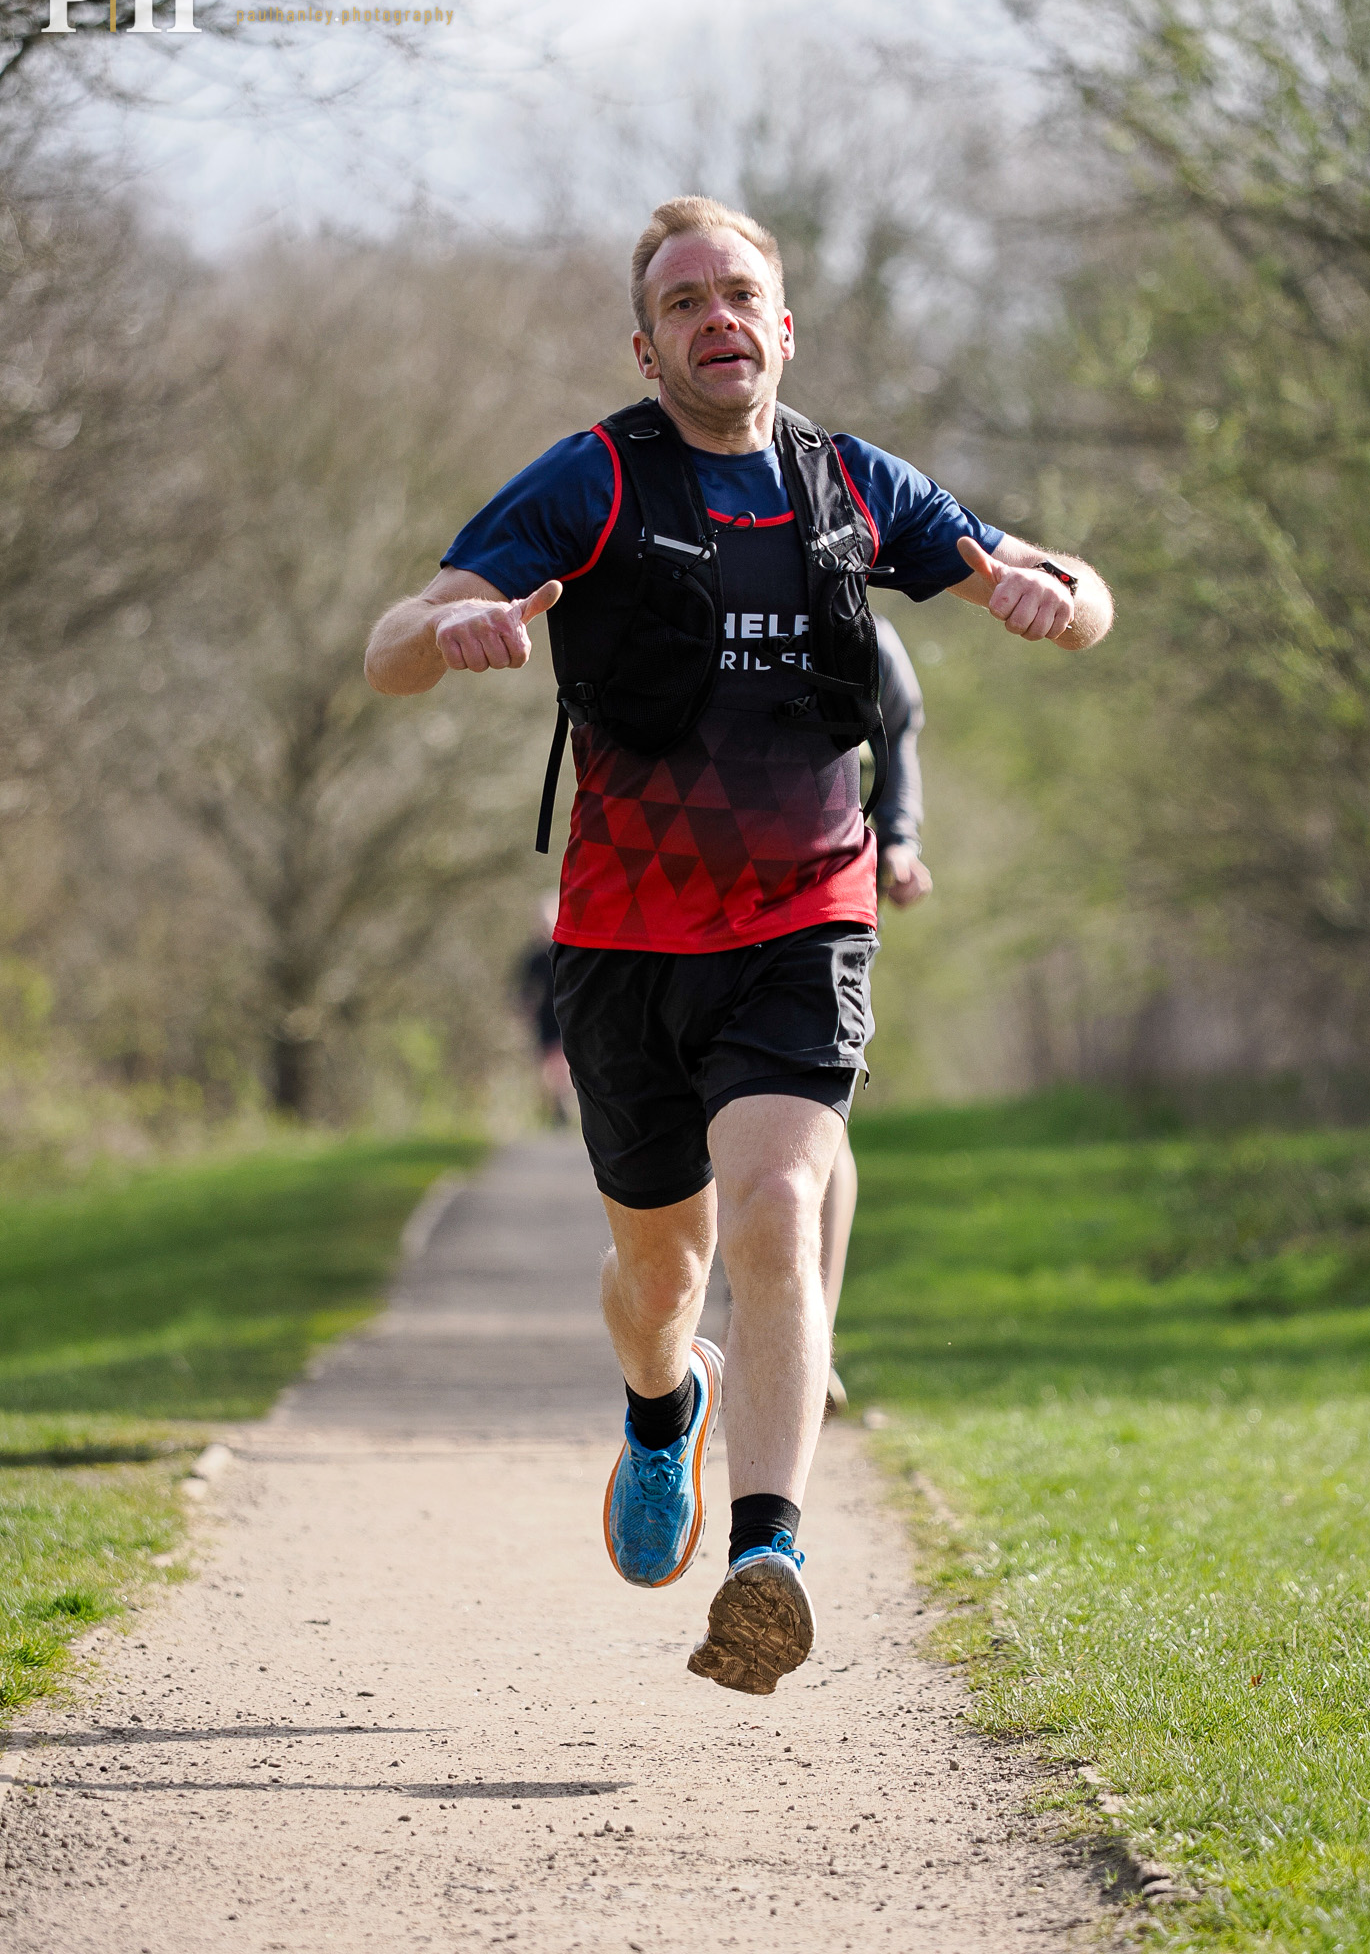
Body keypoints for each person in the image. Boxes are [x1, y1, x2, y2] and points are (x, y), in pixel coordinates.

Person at [363, 195, 1114, 1698]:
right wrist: (445, 636)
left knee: (779, 1201)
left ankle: (767, 1559)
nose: (718, 318)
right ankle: (663, 1407)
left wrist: (1055, 596)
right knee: (661, 1278)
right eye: (687, 301)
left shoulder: (857, 485)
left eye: (742, 295)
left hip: (803, 913)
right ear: (648, 347)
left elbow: (1083, 596)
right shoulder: (590, 481)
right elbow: (390, 642)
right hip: (625, 941)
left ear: (784, 327)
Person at [820, 614, 931, 1418]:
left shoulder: (867, 635)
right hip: (676, 897)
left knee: (817, 1120)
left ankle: (807, 1334)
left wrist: (898, 841)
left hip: (822, 896)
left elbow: (899, 743)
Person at [510, 892, 577, 1125]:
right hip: (545, 1017)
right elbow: (525, 990)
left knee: (563, 1061)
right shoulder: (534, 958)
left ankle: (563, 1101)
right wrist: (524, 1011)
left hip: (566, 1016)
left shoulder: (569, 951)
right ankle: (557, 1105)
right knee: (548, 1065)